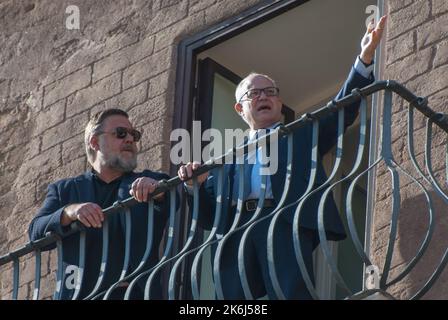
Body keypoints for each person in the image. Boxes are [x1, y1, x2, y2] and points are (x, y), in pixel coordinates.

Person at [178, 16, 387, 299]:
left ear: (278, 102)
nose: (264, 96)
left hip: (283, 220)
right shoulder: (226, 159)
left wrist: (364, 58)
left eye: (271, 92)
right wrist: (195, 186)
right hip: (237, 232)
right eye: (255, 93)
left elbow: (341, 110)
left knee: (290, 294)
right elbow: (208, 217)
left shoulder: (300, 133)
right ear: (240, 108)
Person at [28, 108, 172, 300]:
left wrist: (156, 190)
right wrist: (70, 212)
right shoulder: (65, 190)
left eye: (134, 135)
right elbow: (35, 233)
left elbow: (172, 198)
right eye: (121, 133)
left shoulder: (151, 180)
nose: (130, 139)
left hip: (134, 294)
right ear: (95, 142)